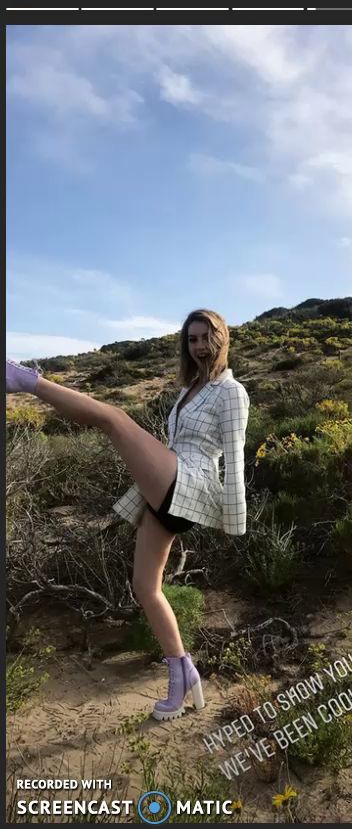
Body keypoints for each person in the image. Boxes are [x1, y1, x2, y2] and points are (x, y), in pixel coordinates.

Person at [6, 308, 250, 723]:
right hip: (170, 485)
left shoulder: (232, 392)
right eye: (192, 339)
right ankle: (182, 672)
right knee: (145, 587)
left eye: (206, 337)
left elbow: (235, 458)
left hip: (191, 481)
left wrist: (235, 521)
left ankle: (24, 380)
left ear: (222, 337)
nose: (199, 346)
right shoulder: (190, 389)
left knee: (114, 418)